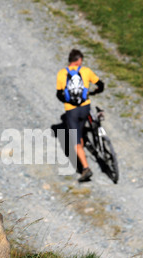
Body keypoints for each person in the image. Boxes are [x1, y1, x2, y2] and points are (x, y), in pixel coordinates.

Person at [56, 49, 104, 182]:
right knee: (81, 131)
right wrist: (94, 92)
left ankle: (85, 168)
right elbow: (101, 85)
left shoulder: (62, 73)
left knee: (75, 141)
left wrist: (69, 101)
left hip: (72, 111)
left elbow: (59, 94)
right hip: (85, 108)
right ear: (79, 60)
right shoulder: (86, 71)